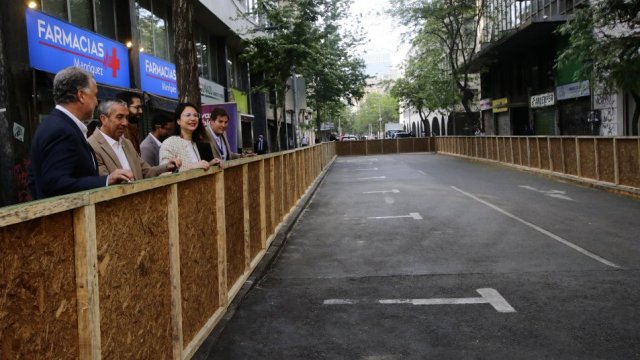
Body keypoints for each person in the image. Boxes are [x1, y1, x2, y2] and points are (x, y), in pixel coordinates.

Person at [29, 66, 133, 200]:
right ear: (81, 95)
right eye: (95, 95)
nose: (96, 102)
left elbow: (34, 179)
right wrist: (106, 180)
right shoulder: (60, 130)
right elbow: (54, 184)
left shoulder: (57, 125)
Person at [88, 99, 181, 179]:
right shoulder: (91, 146)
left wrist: (166, 167)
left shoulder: (127, 143)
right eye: (119, 117)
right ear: (103, 119)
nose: (125, 123)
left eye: (126, 117)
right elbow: (105, 185)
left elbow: (146, 172)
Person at [160, 102, 221, 172]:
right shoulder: (169, 143)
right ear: (178, 121)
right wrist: (192, 167)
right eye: (188, 115)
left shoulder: (196, 143)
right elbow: (165, 172)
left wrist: (210, 164)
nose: (193, 118)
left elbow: (197, 169)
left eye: (195, 115)